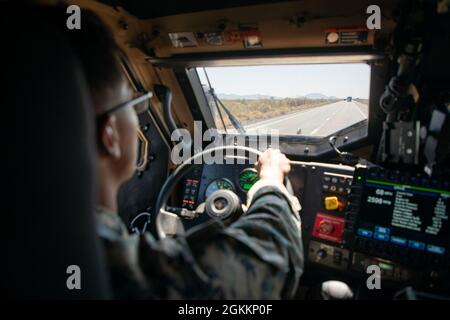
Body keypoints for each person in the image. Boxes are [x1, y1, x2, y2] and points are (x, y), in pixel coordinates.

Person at [46, 7, 304, 299]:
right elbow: (266, 263)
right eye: (137, 106)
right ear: (110, 136)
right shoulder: (102, 261)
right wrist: (269, 182)